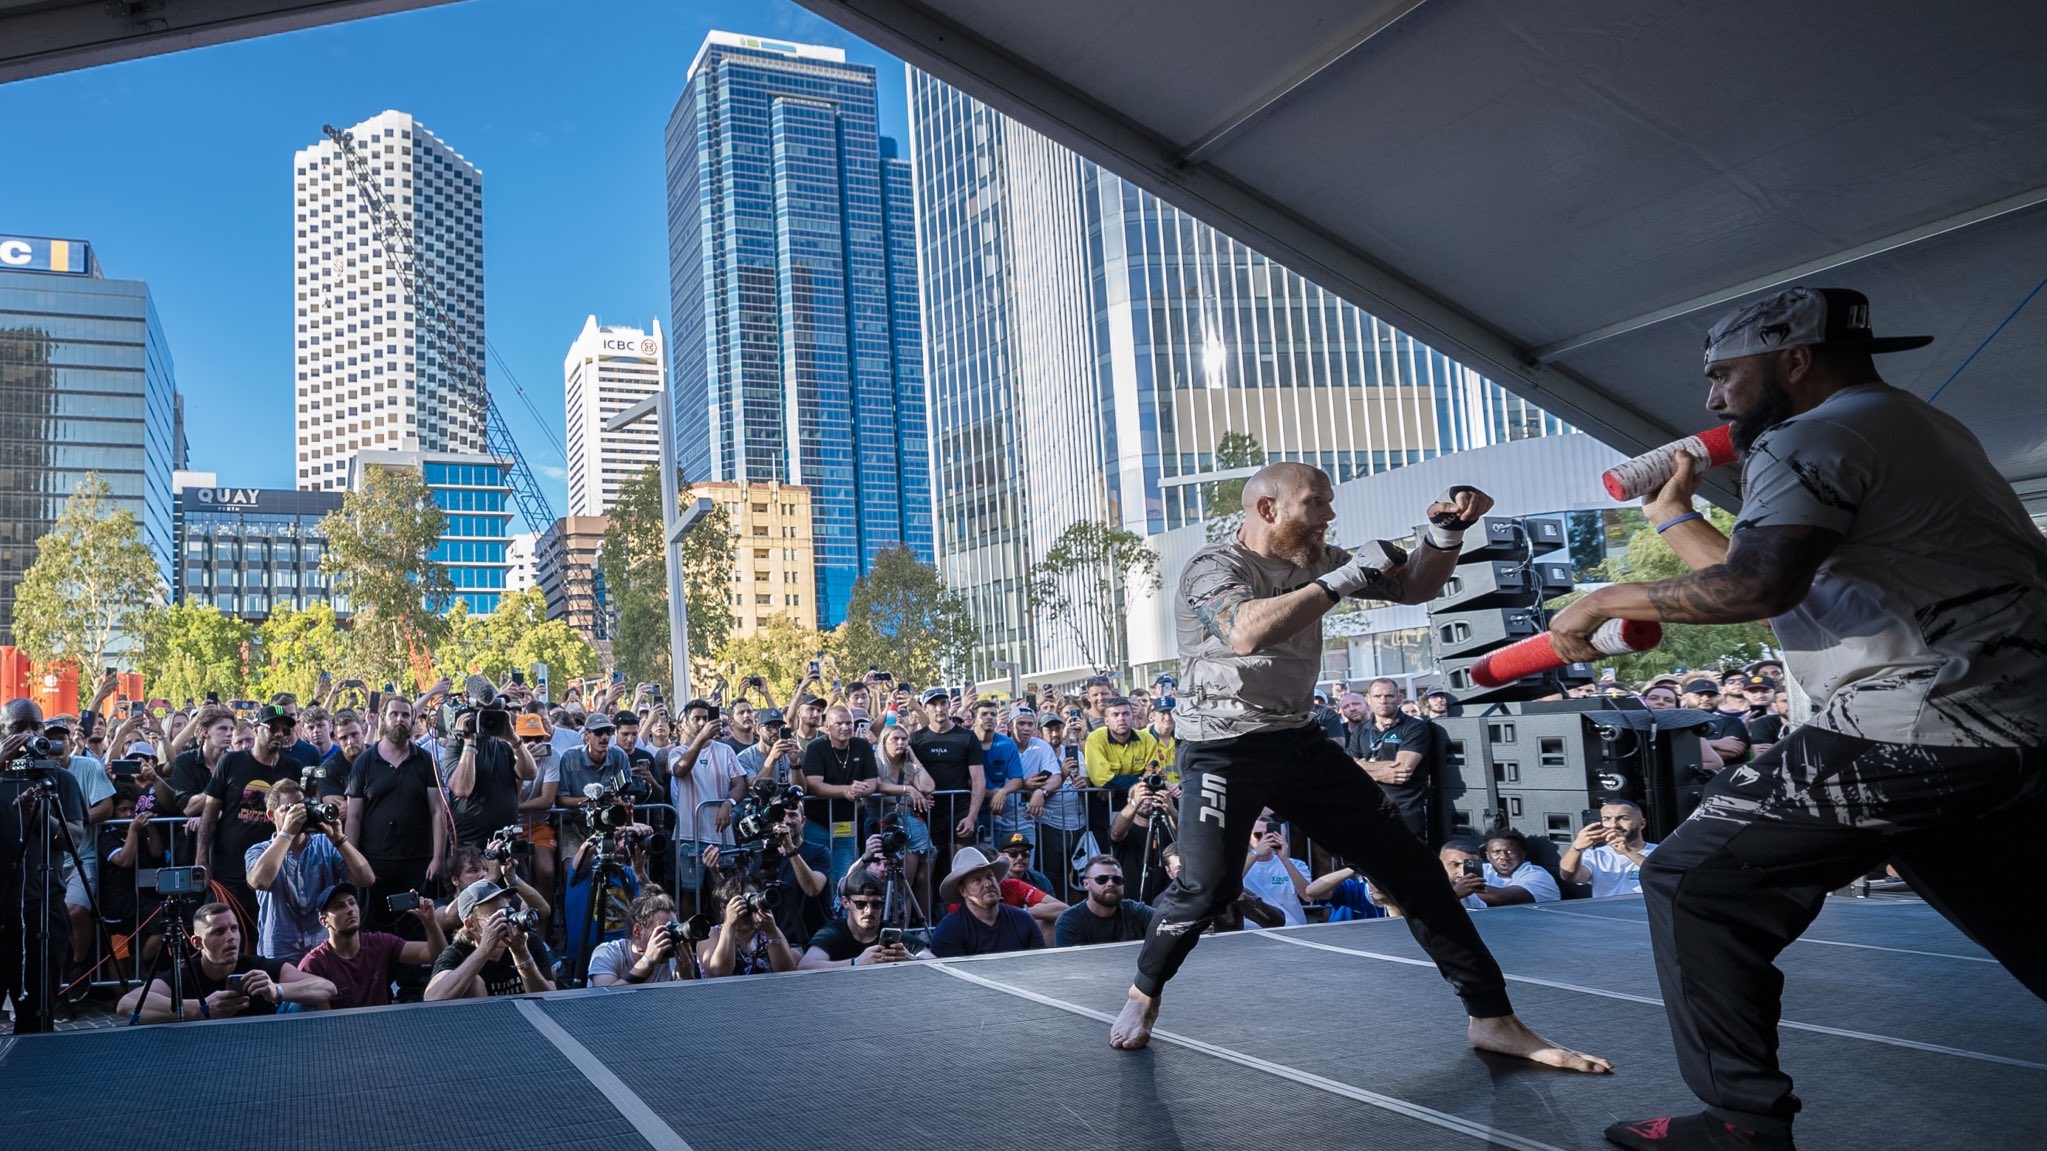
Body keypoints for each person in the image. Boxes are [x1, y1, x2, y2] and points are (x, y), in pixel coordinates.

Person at [1549, 286, 2047, 1149]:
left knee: (1692, 883)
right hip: (2008, 716)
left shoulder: (1804, 436)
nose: (1711, 400)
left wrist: (1605, 598)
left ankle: (1740, 1123)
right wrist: (1670, 514)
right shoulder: (1911, 424)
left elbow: (1754, 584)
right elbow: (1779, 581)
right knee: (2014, 903)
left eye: (1722, 375)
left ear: (1793, 359)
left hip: (1922, 719)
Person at [1107, 461, 1605, 1077]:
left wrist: (1445, 535)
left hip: (1299, 742)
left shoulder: (1319, 559)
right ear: (1268, 510)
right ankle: (1143, 993)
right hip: (1222, 750)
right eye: (1317, 503)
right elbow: (1243, 632)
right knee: (1206, 889)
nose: (1331, 516)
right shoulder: (1216, 567)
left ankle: (1492, 1017)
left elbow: (1416, 586)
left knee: (1411, 869)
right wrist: (1342, 580)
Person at [122, 901, 336, 1022]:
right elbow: (127, 1004)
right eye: (219, 932)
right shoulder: (186, 976)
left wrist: (276, 990)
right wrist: (202, 1008)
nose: (231, 937)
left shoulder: (259, 968)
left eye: (234, 929)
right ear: (197, 942)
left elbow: (326, 988)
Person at [244, 778, 376, 962]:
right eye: (288, 809)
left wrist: (339, 839)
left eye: (301, 807)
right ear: (271, 815)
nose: (298, 814)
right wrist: (287, 833)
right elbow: (259, 881)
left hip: (323, 951)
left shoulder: (326, 844)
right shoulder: (258, 851)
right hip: (280, 953)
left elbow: (366, 879)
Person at [344, 695, 446, 933]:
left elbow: (437, 810)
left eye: (405, 715)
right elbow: (354, 816)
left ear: (413, 721)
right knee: (373, 928)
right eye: (394, 714)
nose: (399, 719)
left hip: (417, 862)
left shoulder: (425, 761)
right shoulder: (364, 763)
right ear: (383, 719)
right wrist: (351, 859)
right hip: (373, 863)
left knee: (415, 926)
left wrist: (438, 857)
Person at [296, 882, 448, 1009]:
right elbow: (324, 1025)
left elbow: (437, 954)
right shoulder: (313, 965)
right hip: (341, 1037)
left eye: (352, 902)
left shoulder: (380, 942)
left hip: (383, 1030)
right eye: (339, 906)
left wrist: (431, 922)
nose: (349, 909)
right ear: (324, 920)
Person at [425, 878, 555, 999]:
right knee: (474, 982)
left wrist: (522, 954)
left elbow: (550, 1002)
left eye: (508, 912)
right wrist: (483, 951)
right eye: (497, 916)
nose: (507, 920)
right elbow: (431, 998)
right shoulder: (458, 952)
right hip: (483, 1022)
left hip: (524, 1020)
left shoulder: (528, 942)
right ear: (471, 925)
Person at [800, 704, 879, 891]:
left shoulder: (862, 746)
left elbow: (873, 782)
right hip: (817, 823)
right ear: (827, 727)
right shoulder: (816, 747)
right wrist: (847, 790)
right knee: (816, 877)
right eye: (839, 723)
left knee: (845, 878)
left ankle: (842, 916)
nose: (845, 727)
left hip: (846, 824)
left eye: (849, 723)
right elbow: (813, 785)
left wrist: (861, 791)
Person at [1348, 677, 1437, 840]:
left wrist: (1361, 766)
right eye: (1377, 696)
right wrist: (1379, 773)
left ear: (1399, 698)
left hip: (1406, 810)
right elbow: (1347, 768)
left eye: (1389, 696)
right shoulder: (1361, 729)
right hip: (1370, 809)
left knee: (1408, 861)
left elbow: (1401, 770)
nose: (1383, 700)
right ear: (1368, 698)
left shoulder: (1415, 726)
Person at [442, 702, 538, 850]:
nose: (487, 718)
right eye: (481, 714)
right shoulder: (456, 746)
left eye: (491, 712)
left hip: (505, 841)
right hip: (470, 845)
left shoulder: (504, 747)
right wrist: (469, 741)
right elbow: (462, 789)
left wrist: (513, 738)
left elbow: (530, 773)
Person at [909, 688, 985, 866]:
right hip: (927, 811)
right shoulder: (916, 739)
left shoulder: (967, 737)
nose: (939, 708)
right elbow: (906, 775)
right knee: (926, 870)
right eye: (933, 704)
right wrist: (914, 793)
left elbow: (979, 780)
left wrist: (972, 816)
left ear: (949, 705)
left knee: (961, 866)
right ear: (925, 708)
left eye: (943, 703)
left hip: (959, 810)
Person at [929, 847, 1043, 958]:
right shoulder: (949, 930)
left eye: (990, 876)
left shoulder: (1023, 919)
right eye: (977, 880)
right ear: (963, 891)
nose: (988, 883)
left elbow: (1040, 967)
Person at [797, 868, 918, 969]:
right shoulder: (834, 932)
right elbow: (805, 966)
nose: (869, 911)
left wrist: (911, 959)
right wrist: (856, 963)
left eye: (876, 904)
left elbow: (933, 959)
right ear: (845, 902)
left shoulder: (889, 932)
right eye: (861, 904)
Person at [696, 868, 800, 977]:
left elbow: (787, 973)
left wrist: (772, 931)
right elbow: (719, 973)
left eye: (753, 899)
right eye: (743, 901)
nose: (749, 909)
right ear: (724, 908)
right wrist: (729, 925)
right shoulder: (712, 934)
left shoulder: (766, 932)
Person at [588, 891, 695, 985]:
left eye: (673, 929)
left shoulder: (673, 960)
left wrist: (686, 978)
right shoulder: (607, 953)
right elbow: (604, 996)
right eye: (664, 931)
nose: (670, 938)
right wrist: (647, 961)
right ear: (637, 931)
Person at [1559, 802, 1657, 899]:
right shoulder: (1595, 855)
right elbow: (1569, 876)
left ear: (1642, 824)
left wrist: (1627, 852)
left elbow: (1663, 873)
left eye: (1623, 818)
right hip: (1606, 913)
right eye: (1606, 819)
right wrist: (1576, 848)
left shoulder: (1659, 851)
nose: (1613, 825)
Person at [1055, 856, 1154, 947]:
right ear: (1086, 884)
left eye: (1117, 879)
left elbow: (1166, 922)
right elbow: (1071, 963)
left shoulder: (1136, 911)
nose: (1111, 884)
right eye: (1102, 879)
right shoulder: (1069, 921)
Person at [1239, 814, 1311, 925]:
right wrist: (1255, 854)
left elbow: (1307, 896)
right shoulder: (1238, 865)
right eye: (1258, 835)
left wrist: (1284, 859)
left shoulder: (1296, 864)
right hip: (1255, 930)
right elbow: (1229, 884)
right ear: (1248, 837)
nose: (1264, 839)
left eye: (1268, 835)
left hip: (1292, 927)